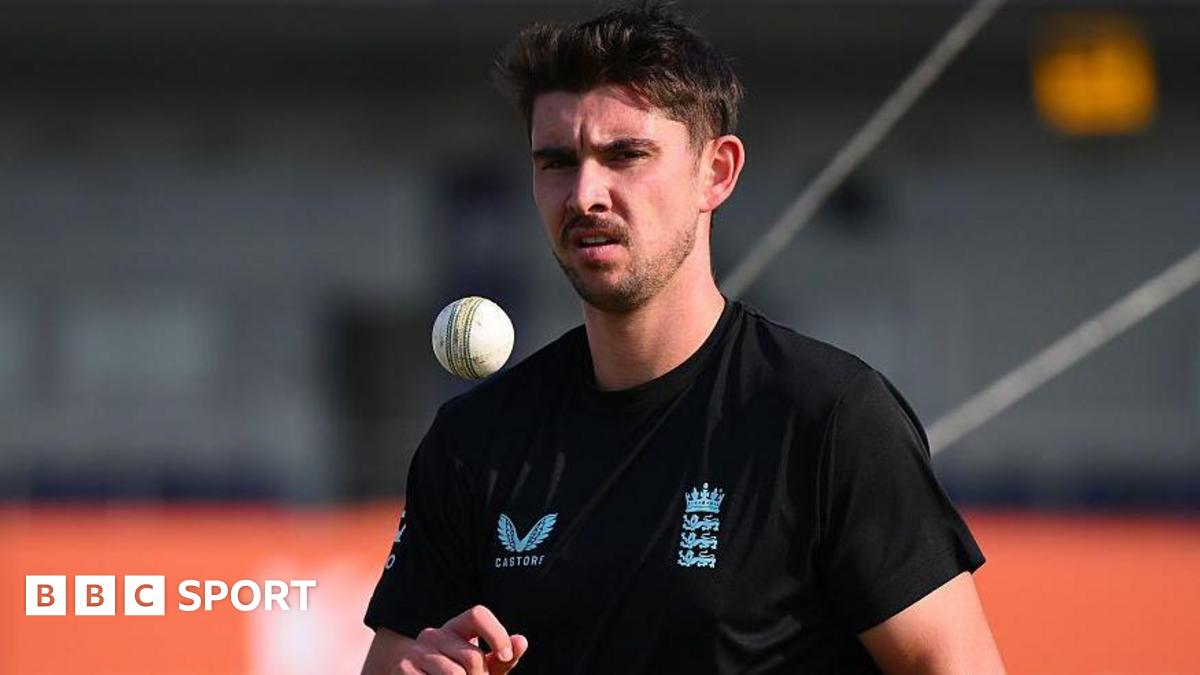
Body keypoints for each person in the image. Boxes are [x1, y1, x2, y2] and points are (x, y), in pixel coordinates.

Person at [361, 2, 1005, 673]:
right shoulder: (473, 441)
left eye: (625, 155)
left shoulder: (828, 415)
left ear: (716, 172)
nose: (585, 194)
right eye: (556, 161)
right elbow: (392, 661)